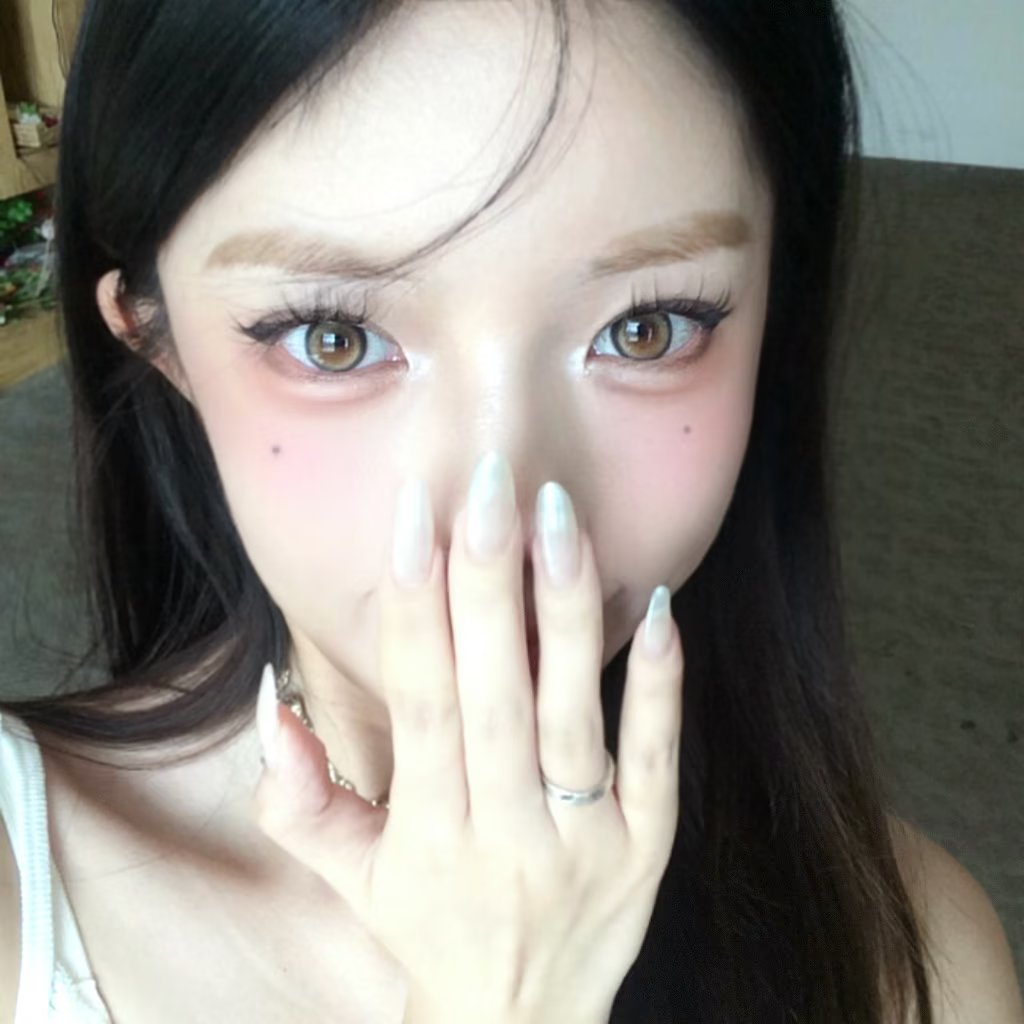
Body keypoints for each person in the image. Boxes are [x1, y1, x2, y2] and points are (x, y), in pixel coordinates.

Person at [1, 0, 1022, 1021]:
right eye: (332, 340)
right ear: (159, 342)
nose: (509, 526)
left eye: (647, 328)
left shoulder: (916, 958)